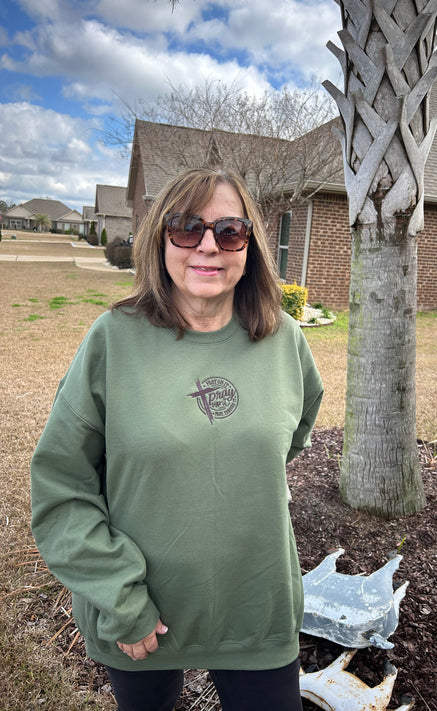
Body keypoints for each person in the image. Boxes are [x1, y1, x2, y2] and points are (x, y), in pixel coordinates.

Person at [31, 167, 324, 711]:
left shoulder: (284, 340)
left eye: (229, 231)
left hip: (256, 609)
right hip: (143, 617)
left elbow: (293, 430)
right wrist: (122, 600)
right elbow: (61, 491)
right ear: (160, 239)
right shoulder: (112, 342)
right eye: (187, 228)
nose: (208, 246)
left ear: (250, 245)